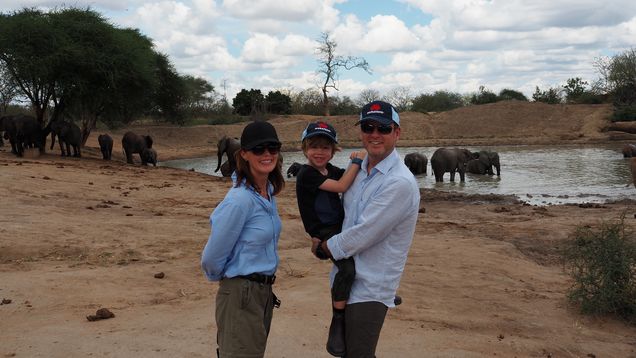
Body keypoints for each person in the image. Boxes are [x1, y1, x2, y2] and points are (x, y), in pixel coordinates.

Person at [313, 100, 420, 358]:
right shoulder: (359, 171)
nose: (375, 134)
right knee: (347, 350)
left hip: (371, 286)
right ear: (361, 132)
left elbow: (365, 233)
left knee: (359, 353)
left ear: (397, 133)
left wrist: (325, 247)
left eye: (383, 128)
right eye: (368, 127)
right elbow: (343, 213)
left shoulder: (399, 183)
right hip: (346, 279)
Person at [201, 121, 285, 358]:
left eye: (272, 148)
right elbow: (211, 257)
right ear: (245, 154)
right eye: (259, 149)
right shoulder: (239, 201)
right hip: (242, 292)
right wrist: (235, 283)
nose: (267, 154)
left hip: (262, 292)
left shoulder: (266, 193)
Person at [295, 121, 366, 356]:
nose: (320, 152)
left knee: (366, 251)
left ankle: (375, 295)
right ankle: (338, 319)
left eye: (325, 147)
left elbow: (351, 180)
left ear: (333, 150)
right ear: (305, 149)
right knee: (347, 270)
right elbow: (343, 185)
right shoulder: (306, 174)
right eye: (314, 146)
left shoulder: (330, 170)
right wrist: (356, 161)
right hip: (324, 231)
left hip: (339, 227)